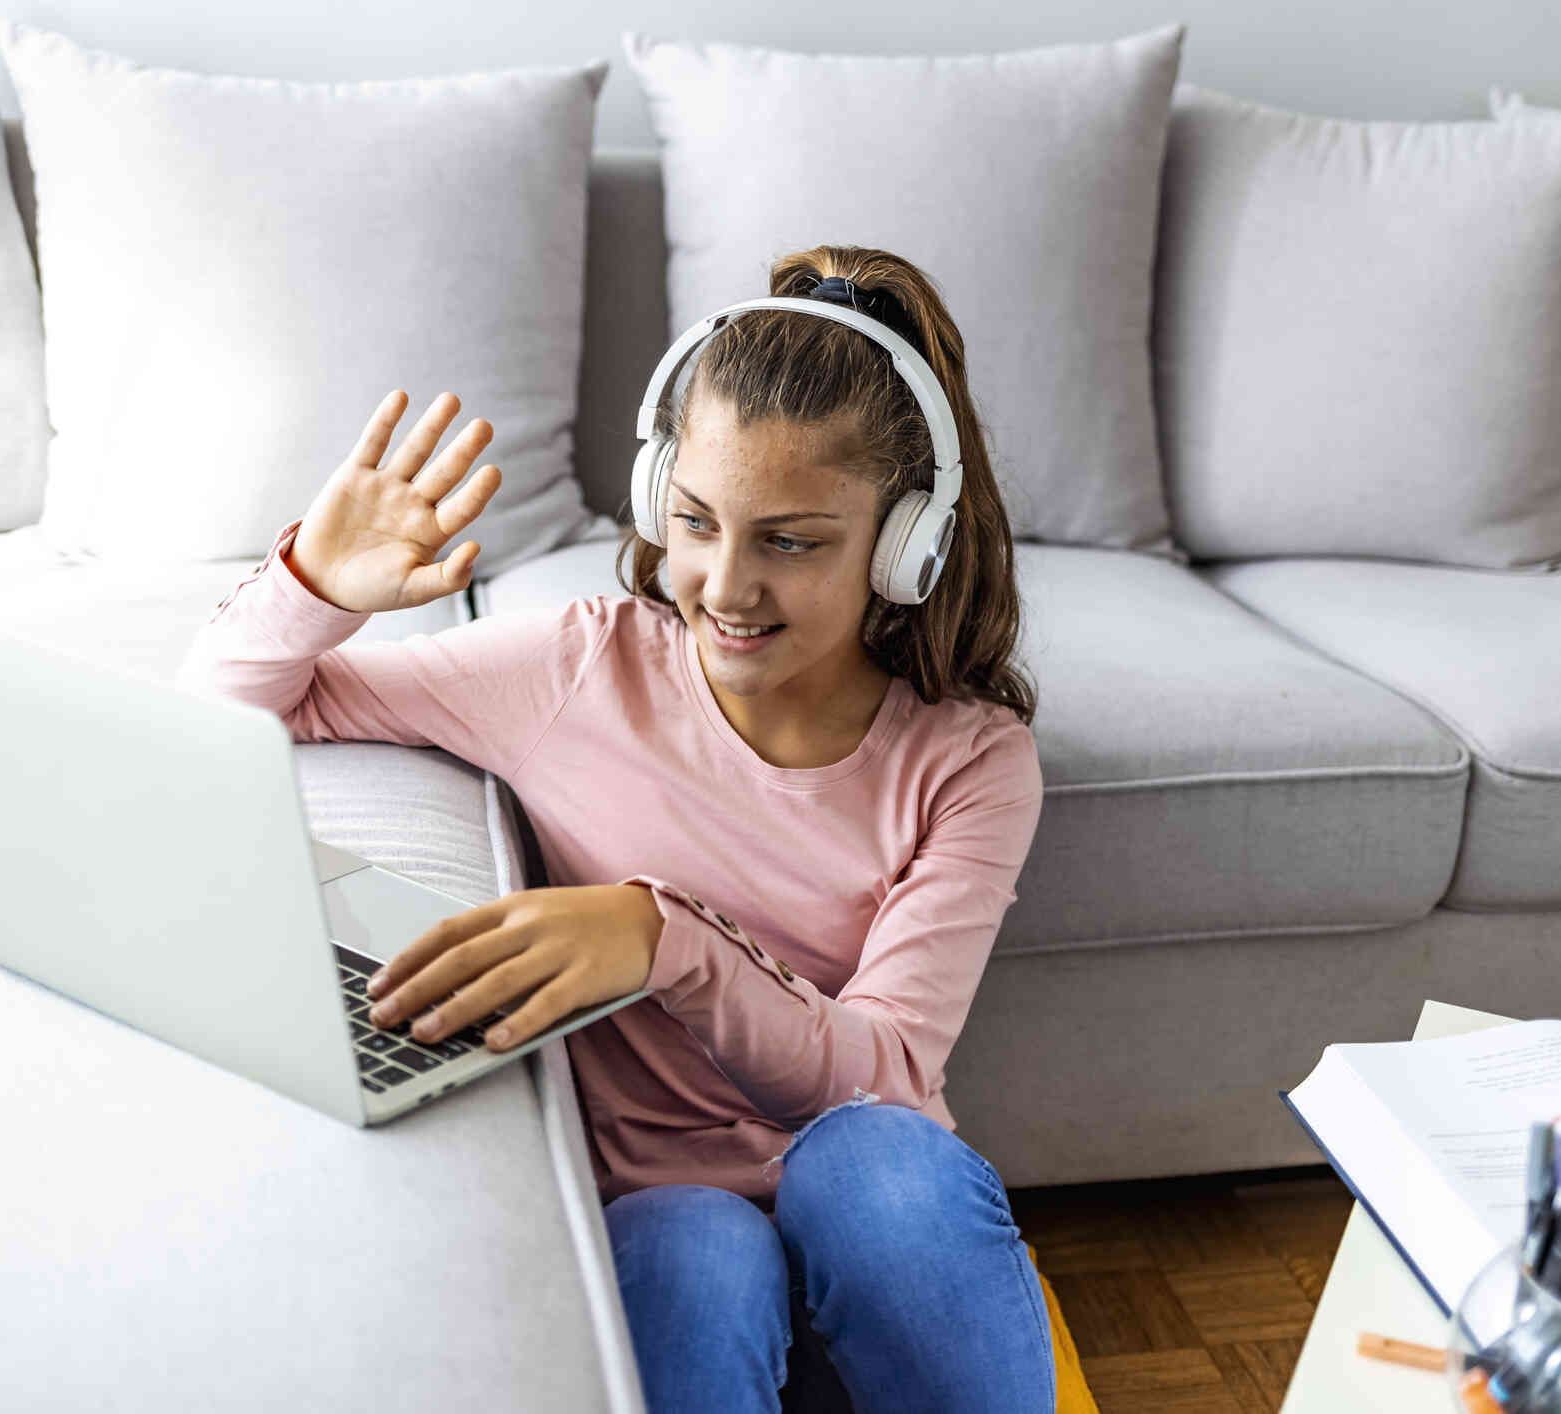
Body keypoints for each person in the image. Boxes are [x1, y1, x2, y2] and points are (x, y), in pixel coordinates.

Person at [176, 244, 1054, 1413]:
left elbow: (883, 1075)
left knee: (872, 1162)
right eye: (695, 522)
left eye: (790, 541)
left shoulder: (968, 760)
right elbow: (229, 720)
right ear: (654, 500)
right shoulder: (578, 665)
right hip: (667, 1245)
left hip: (881, 1232)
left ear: (906, 546)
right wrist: (312, 584)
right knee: (691, 1236)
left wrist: (663, 940)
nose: (727, 587)